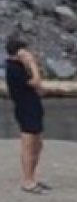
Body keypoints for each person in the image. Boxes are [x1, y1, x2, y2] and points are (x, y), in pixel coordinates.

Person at [6, 39, 47, 194]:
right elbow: (36, 81)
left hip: (33, 107)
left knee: (37, 145)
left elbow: (39, 88)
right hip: (25, 109)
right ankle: (27, 180)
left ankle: (32, 176)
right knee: (29, 145)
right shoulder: (14, 68)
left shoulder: (20, 67)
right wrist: (32, 63)